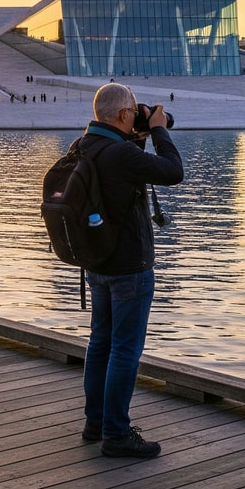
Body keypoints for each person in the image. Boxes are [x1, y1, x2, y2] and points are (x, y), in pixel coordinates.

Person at [76, 82, 183, 459]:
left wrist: (137, 135)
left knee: (101, 342)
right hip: (129, 267)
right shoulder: (120, 154)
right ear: (125, 114)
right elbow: (172, 171)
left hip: (97, 263)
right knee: (124, 349)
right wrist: (159, 130)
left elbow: (123, 176)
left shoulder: (85, 145)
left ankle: (96, 422)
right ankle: (118, 434)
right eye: (134, 110)